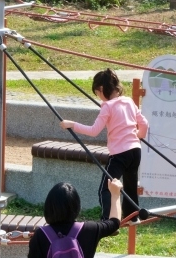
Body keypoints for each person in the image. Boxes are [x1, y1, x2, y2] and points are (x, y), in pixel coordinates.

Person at [60, 68, 147, 220]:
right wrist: (138, 136)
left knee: (106, 189)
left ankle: (108, 220)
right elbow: (144, 124)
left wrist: (72, 124)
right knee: (130, 187)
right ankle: (133, 216)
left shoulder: (107, 107)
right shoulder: (128, 101)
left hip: (120, 154)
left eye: (98, 94)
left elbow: (94, 131)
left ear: (101, 89)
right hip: (135, 151)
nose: (100, 98)